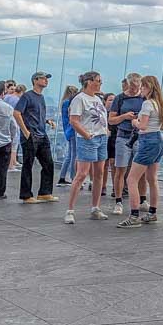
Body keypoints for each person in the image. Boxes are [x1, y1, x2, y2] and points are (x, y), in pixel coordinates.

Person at [116, 75, 163, 228]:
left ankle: (134, 215)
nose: (140, 89)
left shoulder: (147, 104)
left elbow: (142, 126)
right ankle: (152, 212)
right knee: (152, 179)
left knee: (131, 179)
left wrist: (133, 121)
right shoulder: (159, 104)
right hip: (157, 140)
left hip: (147, 142)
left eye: (143, 86)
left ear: (149, 87)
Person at [64, 71, 109, 224]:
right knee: (82, 174)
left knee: (99, 173)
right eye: (98, 81)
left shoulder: (97, 98)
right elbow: (74, 120)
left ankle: (95, 207)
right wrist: (87, 135)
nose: (100, 83)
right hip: (88, 139)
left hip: (101, 138)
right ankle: (70, 210)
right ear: (89, 82)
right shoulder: (79, 99)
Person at [14, 71, 58, 204]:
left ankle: (45, 193)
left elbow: (35, 115)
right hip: (31, 135)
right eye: (43, 78)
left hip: (42, 134)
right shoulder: (27, 96)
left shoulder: (41, 97)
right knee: (28, 165)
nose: (46, 81)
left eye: (46, 79)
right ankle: (26, 195)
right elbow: (17, 113)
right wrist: (25, 131)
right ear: (35, 80)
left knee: (48, 164)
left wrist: (46, 121)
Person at [108, 72, 144, 216]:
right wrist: (125, 117)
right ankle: (118, 200)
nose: (135, 90)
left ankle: (143, 199)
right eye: (133, 87)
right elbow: (111, 120)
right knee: (120, 170)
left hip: (139, 137)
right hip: (123, 136)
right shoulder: (120, 98)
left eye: (138, 87)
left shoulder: (144, 98)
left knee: (141, 171)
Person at [56, 85, 79, 186]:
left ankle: (62, 177)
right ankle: (73, 177)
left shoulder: (64, 102)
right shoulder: (69, 103)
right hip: (72, 130)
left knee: (69, 155)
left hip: (68, 131)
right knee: (73, 155)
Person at [101, 91, 117, 197]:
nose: (112, 102)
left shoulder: (117, 113)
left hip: (115, 139)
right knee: (104, 164)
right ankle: (102, 186)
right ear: (105, 101)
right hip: (104, 139)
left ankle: (116, 188)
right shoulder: (101, 112)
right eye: (110, 100)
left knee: (114, 163)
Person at [2, 82, 21, 171]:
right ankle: (11, 165)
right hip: (14, 123)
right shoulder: (17, 100)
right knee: (14, 146)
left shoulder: (5, 98)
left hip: (5, 123)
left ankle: (11, 163)